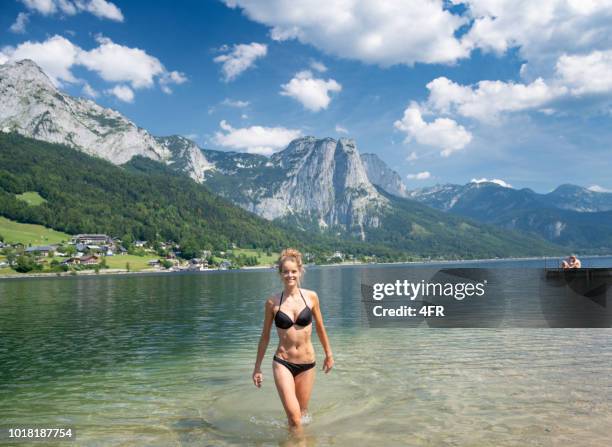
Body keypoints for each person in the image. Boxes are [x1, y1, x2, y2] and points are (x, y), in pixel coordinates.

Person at [252, 248, 334, 433]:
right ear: (280, 274)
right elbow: (265, 337)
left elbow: (320, 328)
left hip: (307, 363)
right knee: (295, 418)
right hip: (283, 362)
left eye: (293, 271)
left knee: (302, 415)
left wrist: (329, 354)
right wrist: (257, 367)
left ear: (300, 271)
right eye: (286, 271)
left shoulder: (311, 297)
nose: (290, 275)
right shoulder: (273, 302)